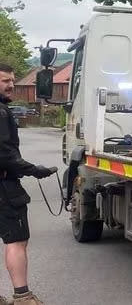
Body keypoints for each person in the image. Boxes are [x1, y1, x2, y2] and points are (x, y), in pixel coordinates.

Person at [0, 64, 56, 305]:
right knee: (16, 240)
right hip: (4, 186)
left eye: (12, 80)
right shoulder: (1, 113)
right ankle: (23, 297)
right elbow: (4, 154)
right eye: (4, 80)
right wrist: (35, 171)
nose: (11, 85)